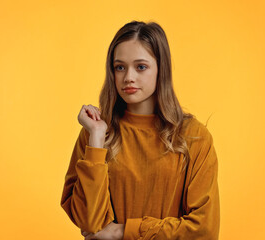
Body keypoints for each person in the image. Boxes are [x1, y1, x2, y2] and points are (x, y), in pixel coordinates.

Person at [60, 20, 220, 240]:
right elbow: (89, 223)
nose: (128, 78)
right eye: (120, 67)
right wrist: (96, 138)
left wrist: (122, 231)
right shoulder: (95, 133)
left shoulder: (194, 137)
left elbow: (204, 229)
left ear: (161, 69)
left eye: (141, 66)